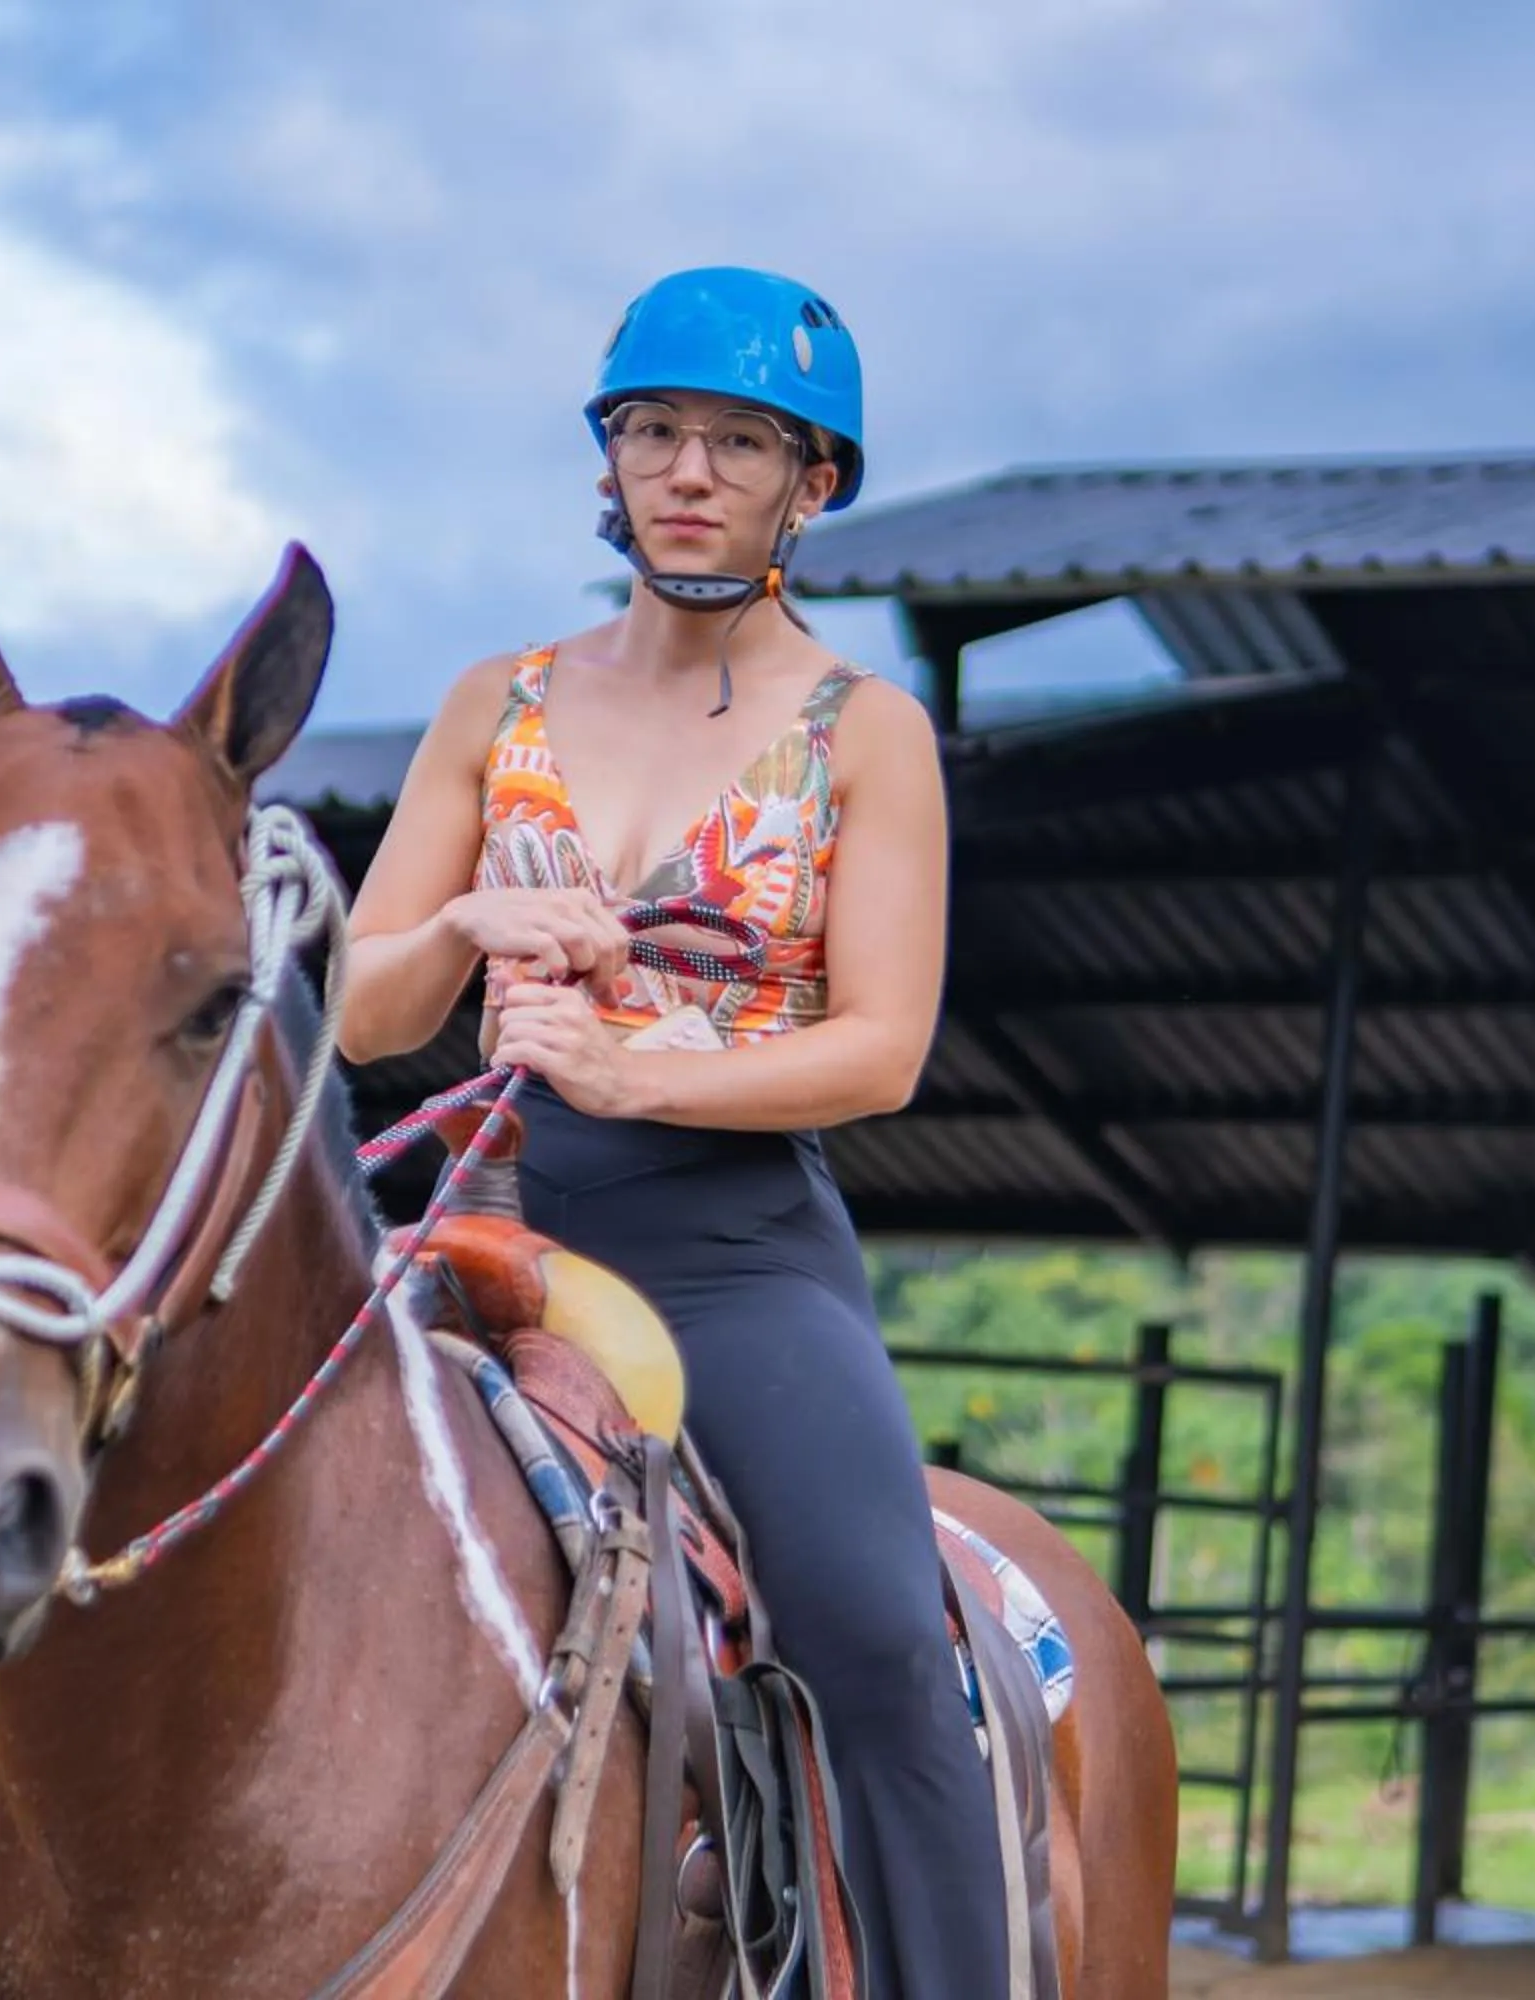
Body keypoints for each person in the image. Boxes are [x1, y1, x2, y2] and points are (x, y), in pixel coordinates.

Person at [337, 265, 1007, 2000]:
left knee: (876, 1646)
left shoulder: (869, 737)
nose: (685, 467)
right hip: (481, 1222)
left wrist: (639, 1081)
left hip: (729, 1254)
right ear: (609, 457)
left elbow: (880, 1051)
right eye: (651, 429)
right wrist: (465, 926)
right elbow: (358, 1014)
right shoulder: (500, 702)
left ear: (815, 483)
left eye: (735, 439)